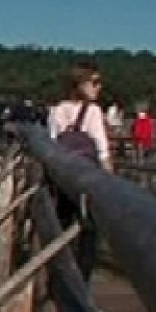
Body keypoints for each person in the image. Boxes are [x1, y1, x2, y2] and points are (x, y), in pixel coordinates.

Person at [46, 59, 111, 279]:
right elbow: (102, 150)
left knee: (62, 226)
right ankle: (82, 280)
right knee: (89, 231)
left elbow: (52, 145)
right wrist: (109, 180)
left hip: (64, 179)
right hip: (88, 180)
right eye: (94, 82)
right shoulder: (93, 112)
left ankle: (60, 276)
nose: (99, 87)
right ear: (79, 84)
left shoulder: (55, 111)